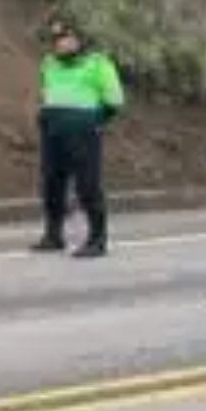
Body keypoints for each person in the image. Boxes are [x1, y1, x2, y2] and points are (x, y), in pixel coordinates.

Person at [31, 17, 124, 258]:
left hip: (83, 133)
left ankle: (97, 239)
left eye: (66, 39)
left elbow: (115, 99)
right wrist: (44, 115)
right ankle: (53, 235)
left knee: (88, 185)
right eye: (56, 40)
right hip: (53, 132)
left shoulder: (98, 63)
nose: (60, 44)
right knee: (52, 184)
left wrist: (94, 120)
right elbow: (46, 91)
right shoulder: (49, 63)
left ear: (80, 40)